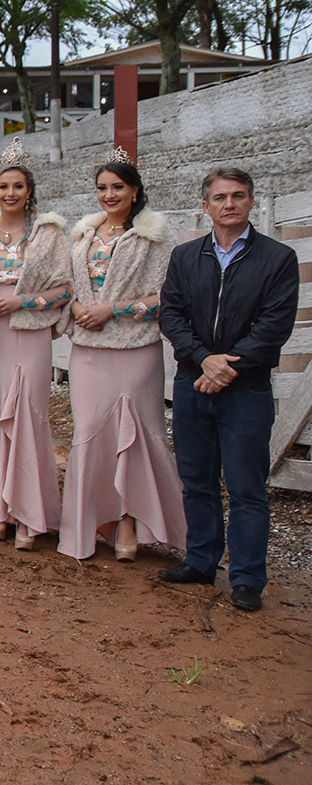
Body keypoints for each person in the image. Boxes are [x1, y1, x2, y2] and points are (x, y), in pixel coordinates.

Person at [158, 167, 298, 612]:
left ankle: (247, 579)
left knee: (246, 487)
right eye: (220, 197)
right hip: (192, 382)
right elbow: (171, 315)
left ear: (252, 201)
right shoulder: (185, 256)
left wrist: (226, 367)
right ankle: (200, 562)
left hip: (246, 390)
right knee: (196, 481)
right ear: (206, 206)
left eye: (238, 196)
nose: (229, 204)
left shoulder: (277, 259)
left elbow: (274, 326)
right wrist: (203, 359)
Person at [58, 149, 184, 562]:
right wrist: (77, 309)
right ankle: (96, 521)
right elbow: (68, 286)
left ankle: (131, 519)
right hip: (87, 349)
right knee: (91, 432)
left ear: (134, 191)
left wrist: (112, 309)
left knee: (138, 433)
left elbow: (166, 293)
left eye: (117, 187)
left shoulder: (155, 237)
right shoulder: (80, 237)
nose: (109, 195)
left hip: (134, 347)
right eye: (102, 188)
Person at [0, 140, 71, 550]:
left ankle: (28, 512)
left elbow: (65, 287)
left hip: (29, 330)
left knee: (27, 416)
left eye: (18, 187)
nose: (10, 193)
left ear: (30, 192)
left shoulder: (49, 234)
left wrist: (21, 301)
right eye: (4, 187)